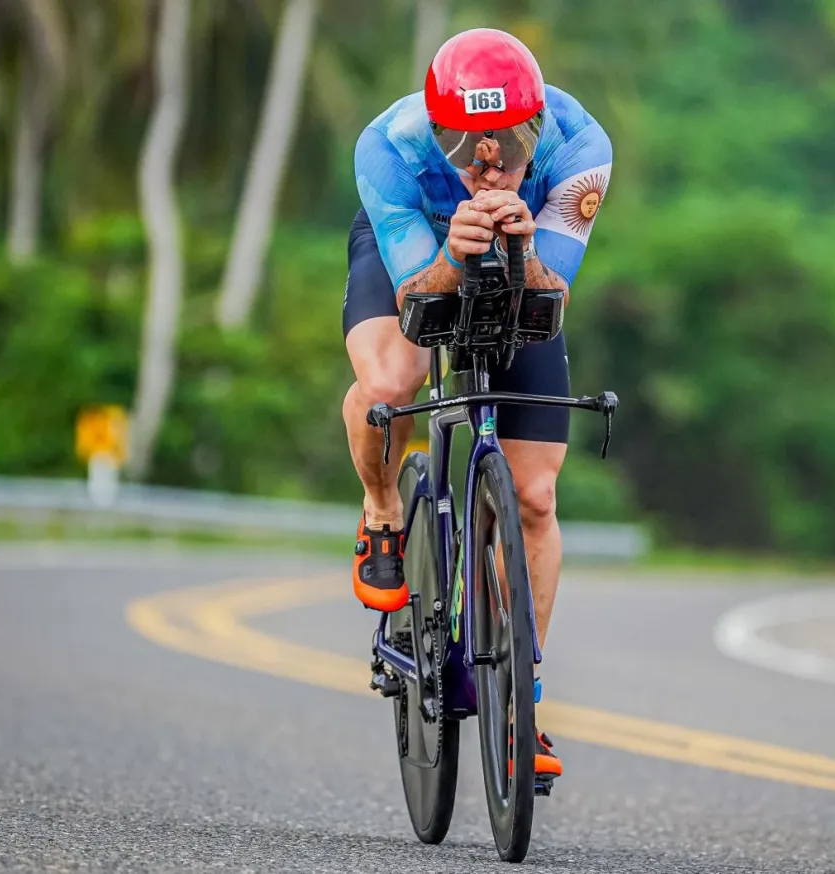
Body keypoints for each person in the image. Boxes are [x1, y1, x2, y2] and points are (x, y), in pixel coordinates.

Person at [341, 26, 612, 784]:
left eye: (510, 145)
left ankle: (522, 697)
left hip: (523, 259)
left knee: (534, 495)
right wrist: (453, 257)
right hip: (417, 250)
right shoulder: (388, 149)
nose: (489, 165)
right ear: (436, 135)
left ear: (540, 128)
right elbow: (416, 305)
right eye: (464, 148)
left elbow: (548, 307)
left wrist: (523, 255)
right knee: (392, 386)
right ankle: (383, 505)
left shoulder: (581, 147)